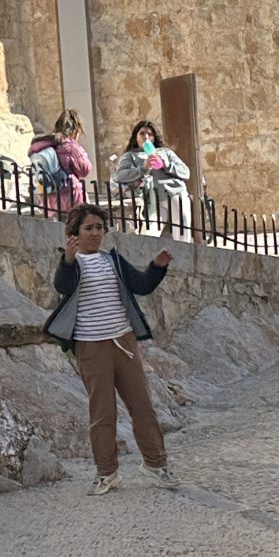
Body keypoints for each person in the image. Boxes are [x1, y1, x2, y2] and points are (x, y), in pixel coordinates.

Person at [42, 203, 177, 495]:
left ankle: (156, 464)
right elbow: (63, 286)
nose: (95, 233)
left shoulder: (112, 260)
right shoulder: (71, 263)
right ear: (75, 233)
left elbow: (142, 285)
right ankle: (106, 473)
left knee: (142, 406)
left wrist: (157, 267)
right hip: (91, 347)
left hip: (124, 343)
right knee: (103, 412)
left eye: (99, 227)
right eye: (88, 228)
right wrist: (68, 260)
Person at [112, 119, 193, 238]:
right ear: (136, 138)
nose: (146, 137)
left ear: (154, 138)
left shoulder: (165, 152)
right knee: (149, 235)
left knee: (182, 233)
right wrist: (142, 169)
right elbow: (119, 175)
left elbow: (186, 172)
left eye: (149, 134)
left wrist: (166, 165)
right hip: (153, 200)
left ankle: (183, 250)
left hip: (175, 194)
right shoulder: (130, 156)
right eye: (142, 133)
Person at [29, 109, 92, 217]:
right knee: (77, 224)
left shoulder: (42, 146)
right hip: (69, 195)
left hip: (48, 197)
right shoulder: (70, 147)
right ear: (75, 130)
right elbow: (85, 170)